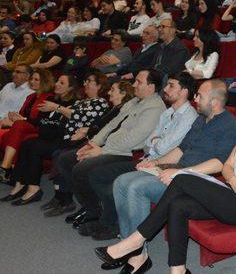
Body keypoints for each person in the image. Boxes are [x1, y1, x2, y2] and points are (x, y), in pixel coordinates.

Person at [95, 91, 236, 274]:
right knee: (179, 204)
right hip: (229, 191)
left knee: (183, 178)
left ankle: (137, 240)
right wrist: (234, 179)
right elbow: (226, 167)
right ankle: (177, 269)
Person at [109, 79, 236, 271]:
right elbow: (181, 149)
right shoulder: (200, 119)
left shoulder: (230, 126)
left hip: (193, 183)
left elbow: (219, 164)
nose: (195, 99)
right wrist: (157, 162)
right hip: (175, 172)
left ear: (214, 102)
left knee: (136, 188)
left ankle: (136, 254)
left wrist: (180, 172)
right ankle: (131, 248)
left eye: (200, 96)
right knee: (121, 182)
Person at [67, 72, 198, 240]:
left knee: (114, 182)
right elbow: (149, 143)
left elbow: (162, 145)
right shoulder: (167, 113)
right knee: (97, 175)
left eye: (171, 85)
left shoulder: (189, 117)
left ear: (184, 92)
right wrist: (156, 141)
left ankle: (113, 225)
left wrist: (155, 141)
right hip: (147, 159)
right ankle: (109, 219)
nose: (165, 88)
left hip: (163, 166)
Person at [60, 70, 166, 234]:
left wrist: (101, 151)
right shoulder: (135, 101)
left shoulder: (155, 107)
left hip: (127, 153)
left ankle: (95, 212)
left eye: (139, 82)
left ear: (151, 86)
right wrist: (93, 143)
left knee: (82, 169)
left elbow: (134, 139)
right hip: (110, 147)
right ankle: (91, 207)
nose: (134, 85)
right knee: (67, 159)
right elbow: (111, 124)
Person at [1, 74, 110, 205]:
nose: (85, 83)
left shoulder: (100, 103)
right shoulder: (82, 101)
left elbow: (79, 117)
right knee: (27, 143)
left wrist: (56, 108)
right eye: (85, 80)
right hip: (63, 136)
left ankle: (33, 188)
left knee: (35, 147)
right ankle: (20, 184)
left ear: (99, 86)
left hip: (74, 141)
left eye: (90, 81)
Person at [43, 80, 135, 217]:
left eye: (113, 90)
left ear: (122, 93)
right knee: (61, 155)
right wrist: (87, 131)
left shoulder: (124, 111)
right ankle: (65, 198)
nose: (109, 92)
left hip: (108, 147)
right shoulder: (114, 109)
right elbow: (99, 127)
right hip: (95, 141)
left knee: (65, 158)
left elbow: (111, 133)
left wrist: (89, 136)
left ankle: (83, 203)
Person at [0, 69, 54, 182]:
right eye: (32, 79)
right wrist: (14, 116)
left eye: (36, 80)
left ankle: (5, 167)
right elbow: (22, 115)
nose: (32, 82)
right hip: (25, 127)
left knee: (18, 127)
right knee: (9, 134)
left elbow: (43, 121)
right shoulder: (31, 97)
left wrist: (21, 119)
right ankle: (13, 171)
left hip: (39, 129)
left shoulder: (49, 97)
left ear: (44, 81)